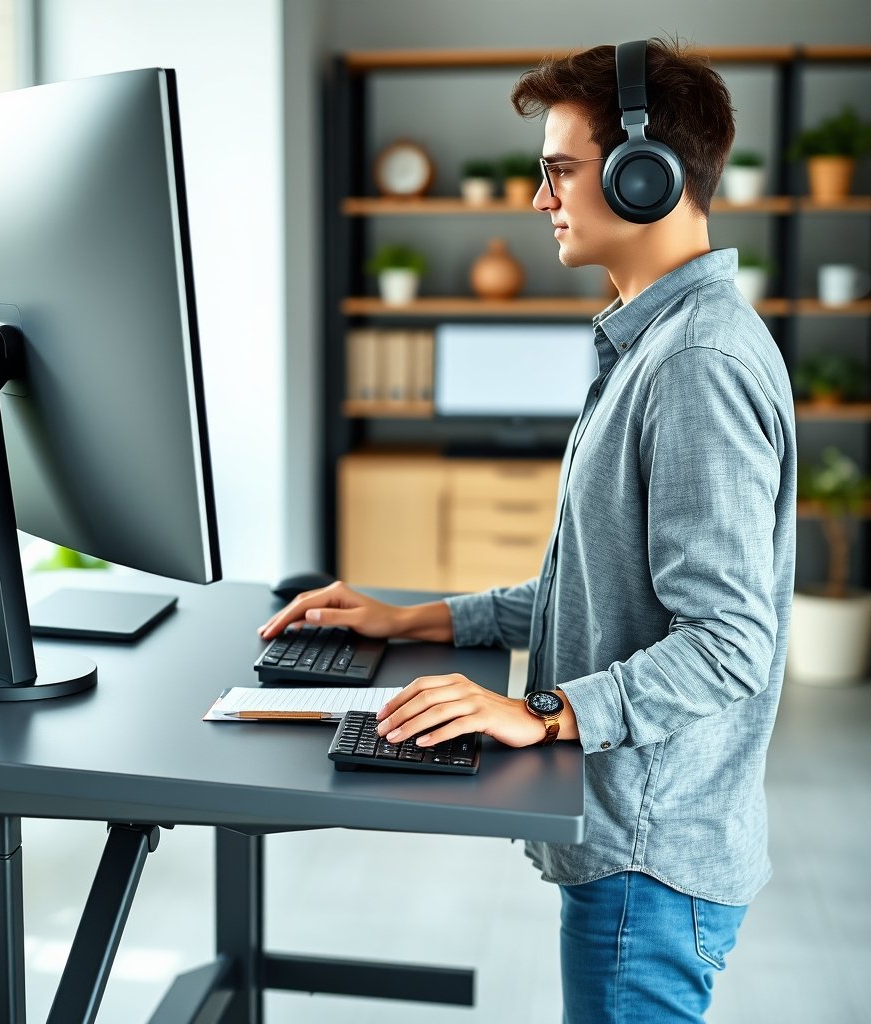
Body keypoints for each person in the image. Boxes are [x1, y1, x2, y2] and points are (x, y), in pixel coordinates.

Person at [259, 38, 796, 1024]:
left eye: (558, 170)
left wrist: (540, 712)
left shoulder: (694, 366)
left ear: (648, 176)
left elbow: (728, 646)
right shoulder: (651, 343)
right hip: (633, 844)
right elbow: (597, 585)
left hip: (648, 856)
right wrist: (413, 618)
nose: (539, 198)